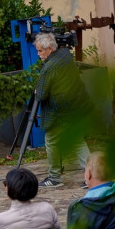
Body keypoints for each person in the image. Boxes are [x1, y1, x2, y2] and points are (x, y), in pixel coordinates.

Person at [34, 31, 92, 187]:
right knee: (78, 141)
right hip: (75, 106)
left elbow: (41, 95)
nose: (38, 54)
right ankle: (93, 176)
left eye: (40, 51)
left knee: (51, 141)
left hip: (60, 112)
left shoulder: (49, 68)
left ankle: (54, 178)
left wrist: (37, 91)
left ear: (50, 49)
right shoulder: (65, 55)